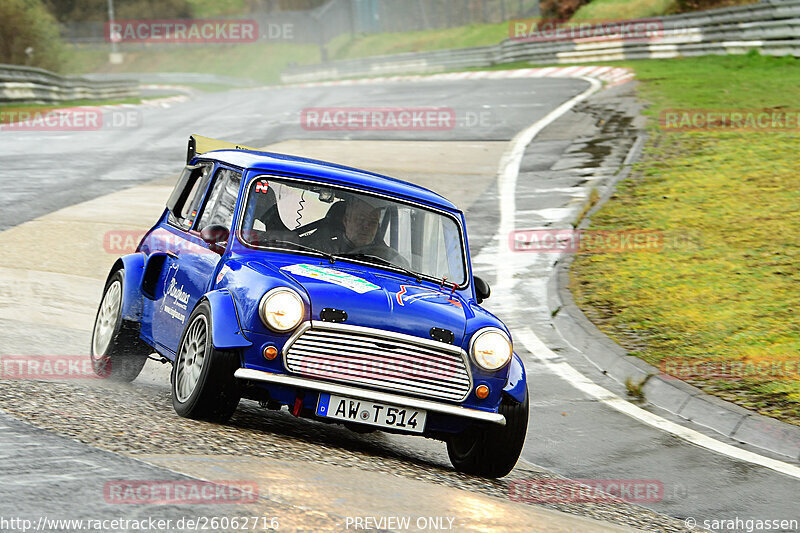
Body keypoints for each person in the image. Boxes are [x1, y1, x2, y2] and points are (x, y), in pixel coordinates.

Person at [306, 195, 408, 267]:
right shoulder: (319, 250)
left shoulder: (392, 259)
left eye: (373, 222)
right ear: (346, 220)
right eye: (361, 220)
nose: (366, 226)